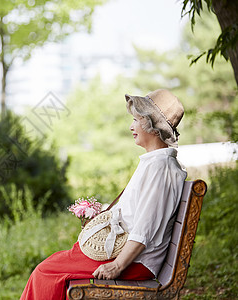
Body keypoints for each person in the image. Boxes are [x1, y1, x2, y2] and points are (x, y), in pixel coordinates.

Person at [20, 89, 187, 300]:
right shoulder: (155, 163)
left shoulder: (160, 168)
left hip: (134, 261)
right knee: (53, 264)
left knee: (47, 273)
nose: (131, 126)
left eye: (136, 120)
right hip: (129, 254)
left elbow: (145, 229)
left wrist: (117, 265)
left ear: (152, 126)